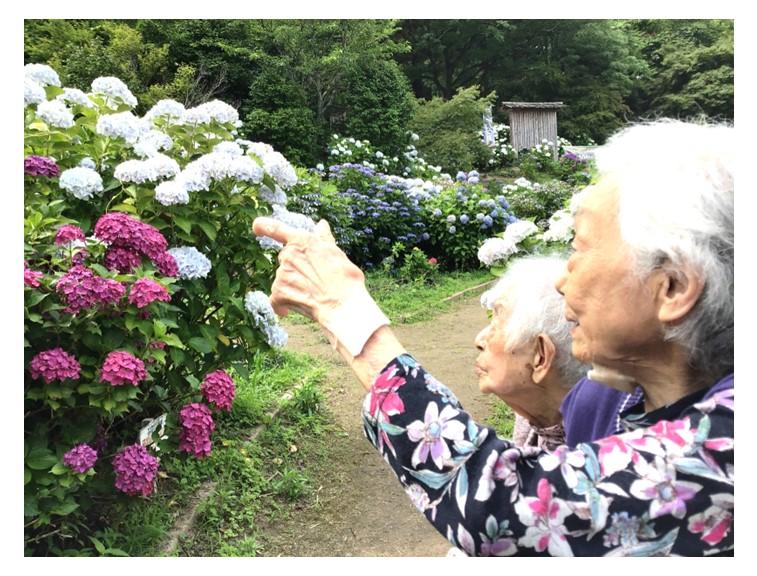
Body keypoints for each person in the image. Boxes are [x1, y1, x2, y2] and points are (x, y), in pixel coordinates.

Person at [252, 119, 733, 556]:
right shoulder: (625, 399)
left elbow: (501, 505)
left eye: (579, 247)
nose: (562, 280)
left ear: (671, 287)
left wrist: (346, 313)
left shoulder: (728, 452)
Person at [476, 256, 586, 451]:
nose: (479, 340)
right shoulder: (533, 421)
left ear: (541, 357)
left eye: (497, 321)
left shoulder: (589, 454)